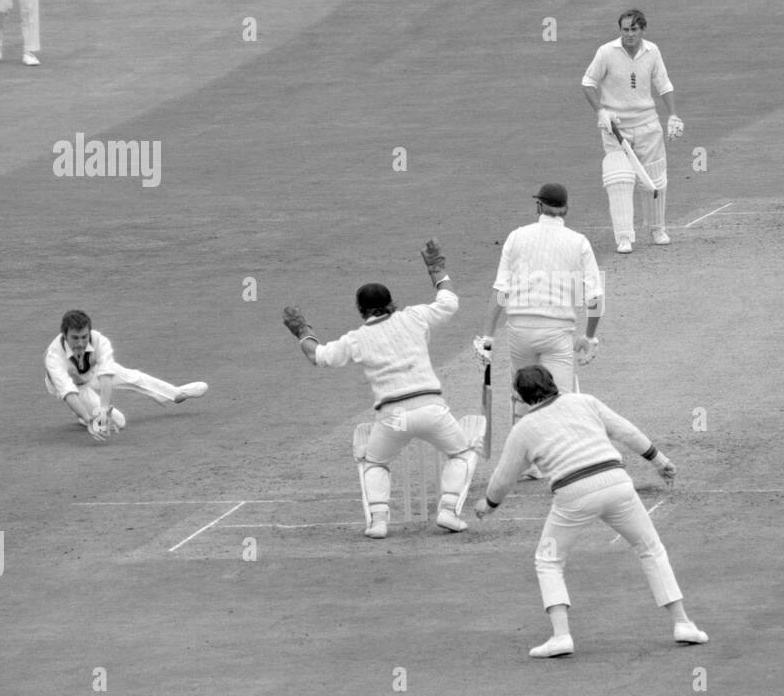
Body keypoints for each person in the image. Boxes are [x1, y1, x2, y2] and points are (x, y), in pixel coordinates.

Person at [474, 366, 708, 658]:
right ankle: (683, 623)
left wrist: (489, 505)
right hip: (617, 484)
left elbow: (503, 477)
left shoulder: (522, 430)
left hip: (573, 496)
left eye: (514, 397)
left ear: (523, 398)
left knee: (548, 560)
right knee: (651, 549)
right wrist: (658, 460)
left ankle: (561, 636)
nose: (513, 401)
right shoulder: (584, 401)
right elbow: (625, 430)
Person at [283, 240, 478, 539]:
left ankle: (378, 522)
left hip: (392, 417)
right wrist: (436, 270)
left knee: (374, 462)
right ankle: (449, 511)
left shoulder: (357, 338)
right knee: (462, 454)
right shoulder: (414, 317)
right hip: (431, 410)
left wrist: (302, 331)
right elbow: (449, 300)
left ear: (361, 310)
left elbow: (318, 356)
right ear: (392, 302)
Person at [475, 184, 603, 477]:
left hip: (520, 327)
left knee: (523, 395)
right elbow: (595, 297)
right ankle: (562, 461)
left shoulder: (516, 237)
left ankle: (526, 462)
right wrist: (590, 336)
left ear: (538, 207)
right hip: (558, 329)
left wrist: (487, 336)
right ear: (565, 209)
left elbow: (500, 290)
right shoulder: (579, 242)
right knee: (560, 400)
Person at [582, 9, 684, 252]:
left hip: (648, 124)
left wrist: (672, 115)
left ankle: (657, 228)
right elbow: (588, 83)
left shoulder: (652, 51)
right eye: (625, 30)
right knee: (619, 180)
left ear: (642, 30)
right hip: (615, 126)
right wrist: (601, 112)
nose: (629, 34)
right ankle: (624, 237)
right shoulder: (606, 52)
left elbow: (664, 84)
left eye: (634, 30)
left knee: (655, 178)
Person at [44, 310, 208, 442]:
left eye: (84, 337)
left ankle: (174, 394)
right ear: (64, 335)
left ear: (89, 332)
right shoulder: (54, 356)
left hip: (93, 371)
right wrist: (89, 421)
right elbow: (68, 393)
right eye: (74, 338)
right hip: (77, 387)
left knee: (132, 376)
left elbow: (106, 377)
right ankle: (84, 414)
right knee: (118, 421)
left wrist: (102, 411)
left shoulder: (99, 341)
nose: (80, 343)